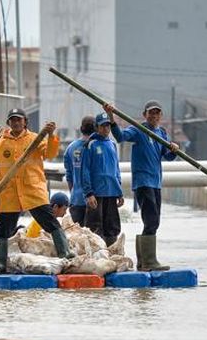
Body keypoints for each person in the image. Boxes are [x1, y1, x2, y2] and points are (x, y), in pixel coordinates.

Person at [0, 108, 68, 272]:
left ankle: (65, 253)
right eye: (13, 120)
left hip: (33, 190)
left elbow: (50, 153)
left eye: (19, 119)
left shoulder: (35, 139)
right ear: (8, 123)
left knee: (50, 222)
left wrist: (51, 135)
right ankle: (0, 263)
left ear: (25, 122)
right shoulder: (0, 142)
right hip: (9, 193)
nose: (16, 123)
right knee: (3, 229)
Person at [106, 100, 179, 271]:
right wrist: (111, 117)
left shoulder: (161, 132)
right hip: (143, 182)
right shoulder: (138, 129)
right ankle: (149, 261)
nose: (154, 116)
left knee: (153, 221)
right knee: (151, 220)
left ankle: (143, 261)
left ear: (161, 116)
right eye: (151, 113)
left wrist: (174, 149)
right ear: (144, 115)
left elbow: (167, 156)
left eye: (157, 113)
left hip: (156, 182)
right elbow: (120, 137)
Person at [82, 112, 124, 248]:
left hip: (112, 192)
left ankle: (112, 253)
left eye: (108, 126)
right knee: (94, 227)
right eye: (102, 126)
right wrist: (89, 193)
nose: (106, 129)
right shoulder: (90, 145)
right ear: (97, 127)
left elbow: (116, 169)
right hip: (97, 193)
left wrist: (119, 191)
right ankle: (96, 254)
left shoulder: (112, 144)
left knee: (112, 226)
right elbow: (85, 170)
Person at [63, 116, 96, 229]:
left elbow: (69, 175)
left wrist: (73, 192)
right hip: (96, 199)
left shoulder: (71, 148)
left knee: (77, 235)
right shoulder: (98, 146)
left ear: (81, 128)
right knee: (94, 235)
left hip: (76, 199)